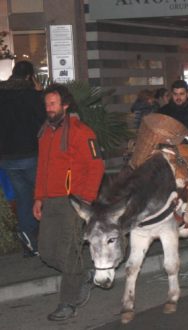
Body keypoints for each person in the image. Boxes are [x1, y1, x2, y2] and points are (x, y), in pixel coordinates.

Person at [33, 84, 104, 321]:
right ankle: (82, 275)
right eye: (46, 104)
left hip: (73, 201)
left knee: (69, 250)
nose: (49, 108)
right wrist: (38, 198)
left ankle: (68, 302)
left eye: (53, 104)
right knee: (46, 251)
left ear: (65, 105)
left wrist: (86, 200)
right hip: (50, 201)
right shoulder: (45, 132)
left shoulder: (82, 131)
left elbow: (96, 166)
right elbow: (42, 168)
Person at [0, 61, 45, 257]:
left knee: (23, 197)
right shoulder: (32, 96)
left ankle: (28, 240)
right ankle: (44, 239)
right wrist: (39, 92)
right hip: (30, 154)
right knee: (41, 196)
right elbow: (43, 120)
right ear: (29, 76)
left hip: (7, 157)